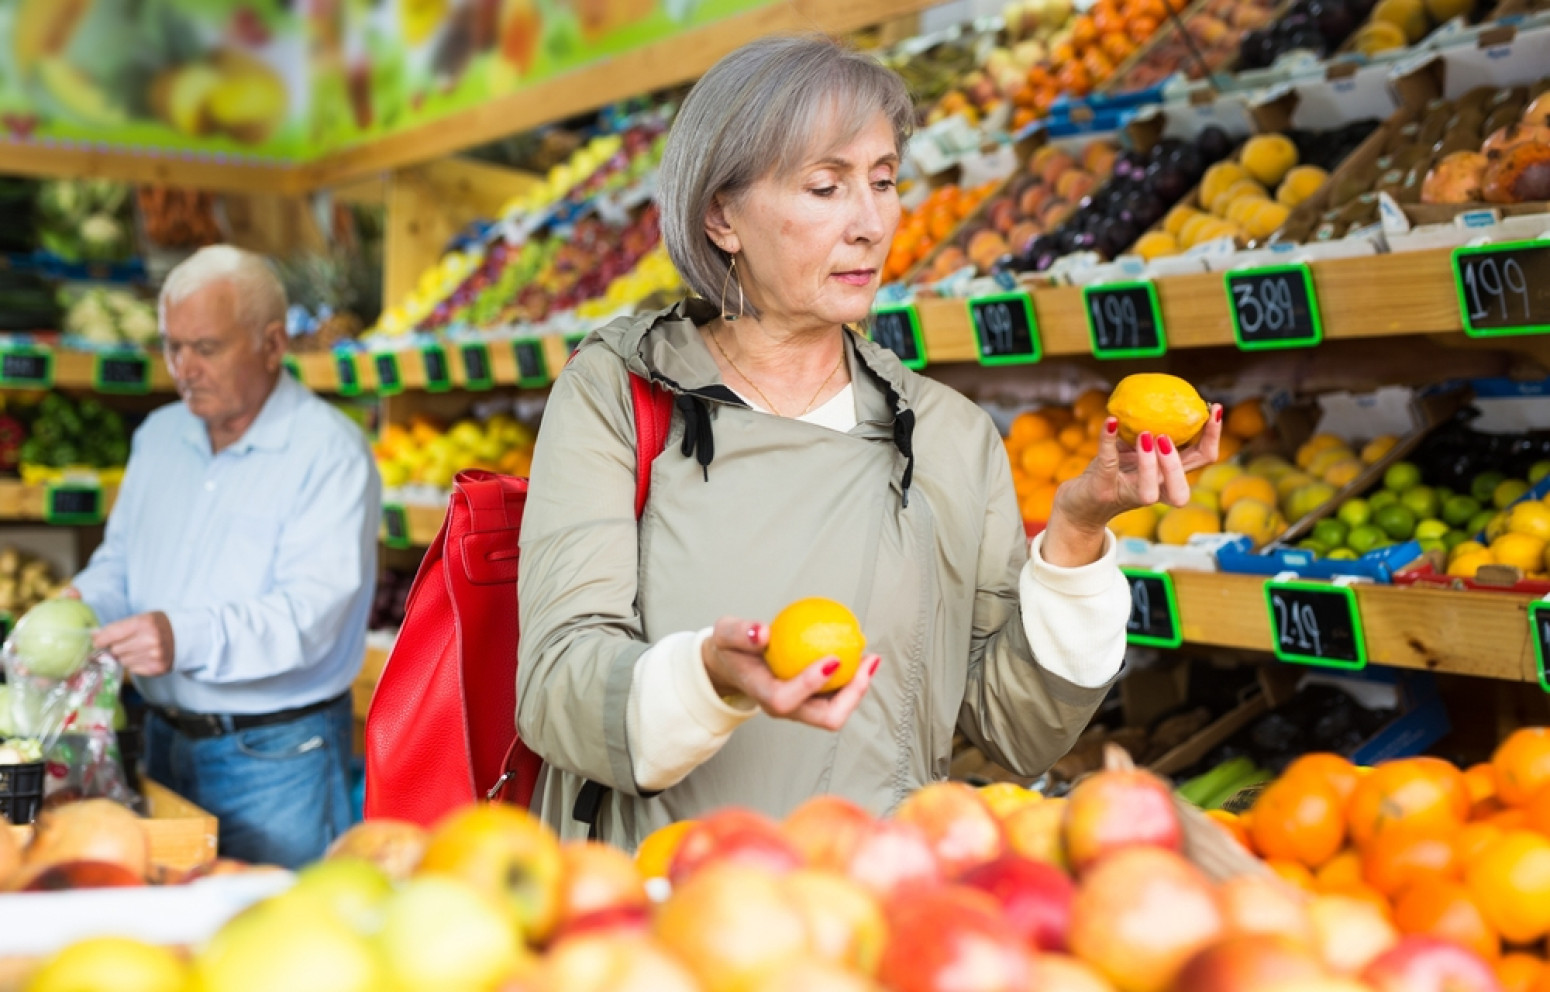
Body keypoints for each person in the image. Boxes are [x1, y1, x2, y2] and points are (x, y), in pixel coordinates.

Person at [516, 36, 1221, 848]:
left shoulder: (948, 435)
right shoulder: (620, 391)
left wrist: (1076, 532)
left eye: (884, 182)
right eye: (826, 186)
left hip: (878, 918)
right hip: (664, 916)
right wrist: (708, 678)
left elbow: (1017, 731)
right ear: (721, 216)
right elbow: (557, 686)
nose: (871, 223)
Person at [69, 245, 381, 868]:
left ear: (272, 344)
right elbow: (121, 562)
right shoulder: (159, 436)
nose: (184, 368)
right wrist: (80, 603)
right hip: (160, 741)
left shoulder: (330, 453)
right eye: (172, 346)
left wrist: (179, 636)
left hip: (273, 760)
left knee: (282, 940)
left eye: (205, 348)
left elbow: (307, 617)